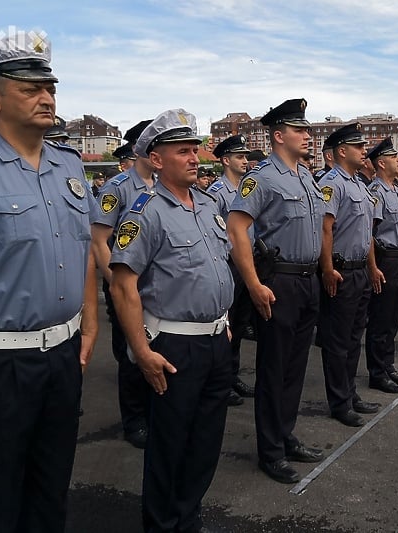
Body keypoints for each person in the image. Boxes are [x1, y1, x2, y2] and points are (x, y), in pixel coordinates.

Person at [0, 31, 99, 533]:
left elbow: (84, 249)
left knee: (50, 491)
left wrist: (90, 322)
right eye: (30, 88)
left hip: (62, 356)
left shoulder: (69, 166)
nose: (47, 98)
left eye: (51, 88)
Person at [109, 109, 235, 531]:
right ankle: (163, 524)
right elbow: (123, 286)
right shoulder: (145, 212)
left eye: (194, 149)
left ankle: (187, 516)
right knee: (170, 444)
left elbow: (215, 266)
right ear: (157, 159)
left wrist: (223, 320)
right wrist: (141, 351)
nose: (194, 157)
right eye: (182, 151)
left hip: (216, 339)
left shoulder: (207, 204)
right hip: (175, 346)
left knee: (205, 442)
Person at [227, 98, 325, 484]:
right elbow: (237, 228)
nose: (307, 135)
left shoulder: (306, 176)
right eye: (300, 130)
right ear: (279, 135)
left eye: (308, 129)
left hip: (308, 280)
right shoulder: (262, 177)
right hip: (279, 281)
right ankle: (270, 451)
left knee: (295, 367)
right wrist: (253, 284)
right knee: (274, 368)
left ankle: (285, 435)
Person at [91, 119, 154, 449]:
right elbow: (99, 240)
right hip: (126, 280)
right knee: (131, 353)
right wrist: (115, 282)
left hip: (157, 284)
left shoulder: (163, 184)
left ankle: (154, 410)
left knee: (156, 347)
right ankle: (134, 420)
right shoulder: (117, 188)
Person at [316, 123, 382, 427]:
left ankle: (350, 393)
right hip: (341, 272)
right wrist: (327, 269)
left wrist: (371, 267)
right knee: (338, 342)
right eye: (358, 146)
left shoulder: (359, 184)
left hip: (360, 271)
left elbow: (366, 233)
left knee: (354, 339)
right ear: (342, 151)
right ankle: (339, 402)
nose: (364, 151)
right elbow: (325, 229)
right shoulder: (332, 183)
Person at [208, 134, 255, 405]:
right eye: (240, 157)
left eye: (246, 156)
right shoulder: (217, 192)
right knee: (225, 325)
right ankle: (221, 381)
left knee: (238, 325)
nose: (245, 161)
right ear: (226, 161)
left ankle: (232, 374)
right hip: (228, 265)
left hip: (247, 264)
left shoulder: (246, 189)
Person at [365, 138, 398, 394]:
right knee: (381, 318)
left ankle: (388, 365)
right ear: (381, 163)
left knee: (393, 317)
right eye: (394, 157)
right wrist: (373, 267)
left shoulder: (395, 190)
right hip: (387, 260)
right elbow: (369, 234)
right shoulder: (376, 192)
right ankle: (377, 372)